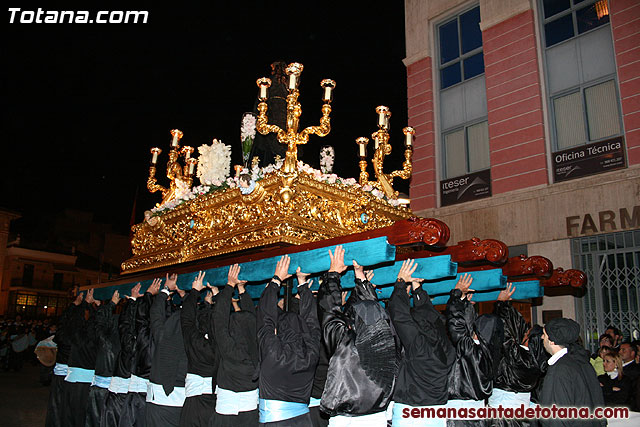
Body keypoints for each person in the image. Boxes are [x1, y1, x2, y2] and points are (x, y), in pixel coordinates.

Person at [317, 246, 400, 426]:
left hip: (346, 421)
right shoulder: (390, 346)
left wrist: (333, 275)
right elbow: (373, 313)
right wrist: (360, 279)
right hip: (377, 419)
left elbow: (330, 312)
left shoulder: (346, 347)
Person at [388, 259, 455, 427]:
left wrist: (400, 283)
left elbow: (400, 317)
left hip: (412, 414)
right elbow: (434, 321)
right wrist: (417, 289)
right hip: (437, 413)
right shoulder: (447, 348)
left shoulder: (419, 346)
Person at [257, 255, 320, 426]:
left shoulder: (274, 354)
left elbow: (265, 318)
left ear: (278, 331)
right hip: (304, 421)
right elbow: (312, 324)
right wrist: (301, 285)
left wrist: (279, 280)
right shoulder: (312, 354)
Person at [445, 274, 504, 427]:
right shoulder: (493, 352)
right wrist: (465, 304)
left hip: (461, 415)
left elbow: (456, 325)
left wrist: (457, 294)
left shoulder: (472, 351)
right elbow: (466, 331)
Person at [490, 283, 544, 427]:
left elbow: (505, 337)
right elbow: (516, 328)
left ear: (529, 340)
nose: (524, 332)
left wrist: (500, 304)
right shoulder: (537, 360)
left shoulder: (521, 358)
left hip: (504, 407)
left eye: (527, 333)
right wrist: (507, 305)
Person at [212, 264, 260, 426]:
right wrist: (241, 291)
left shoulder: (230, 349)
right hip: (251, 407)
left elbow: (219, 320)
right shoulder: (258, 347)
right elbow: (252, 321)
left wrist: (230, 286)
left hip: (227, 407)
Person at [539, 317, 604, 426]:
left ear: (552, 340)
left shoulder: (559, 369)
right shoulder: (581, 361)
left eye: (544, 335)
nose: (542, 337)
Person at [146, 274, 188, 427]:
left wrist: (165, 290)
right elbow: (192, 317)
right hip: (184, 401)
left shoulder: (162, 337)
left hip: (159, 400)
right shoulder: (192, 340)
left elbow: (155, 315)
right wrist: (186, 298)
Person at [180, 271, 218, 427]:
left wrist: (194, 291)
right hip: (214, 403)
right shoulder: (222, 344)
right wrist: (212, 303)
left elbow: (187, 320)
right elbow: (218, 322)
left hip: (194, 404)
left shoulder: (195, 343)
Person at [101, 284, 140, 427]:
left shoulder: (120, 329)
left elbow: (124, 326)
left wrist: (130, 302)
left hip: (119, 391)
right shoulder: (146, 337)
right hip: (130, 394)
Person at [62, 289, 101, 427]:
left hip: (74, 378)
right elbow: (97, 321)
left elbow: (72, 321)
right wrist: (93, 306)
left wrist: (84, 304)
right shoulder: (95, 336)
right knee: (82, 416)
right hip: (86, 379)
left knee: (71, 414)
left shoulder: (76, 334)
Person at [46, 292, 82, 427]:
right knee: (68, 407)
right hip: (72, 376)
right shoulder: (78, 337)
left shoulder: (62, 335)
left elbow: (63, 321)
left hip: (62, 374)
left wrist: (73, 305)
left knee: (57, 405)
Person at [85, 290, 121, 427]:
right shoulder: (127, 341)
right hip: (118, 390)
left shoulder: (105, 342)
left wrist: (110, 304)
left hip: (101, 388)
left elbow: (97, 325)